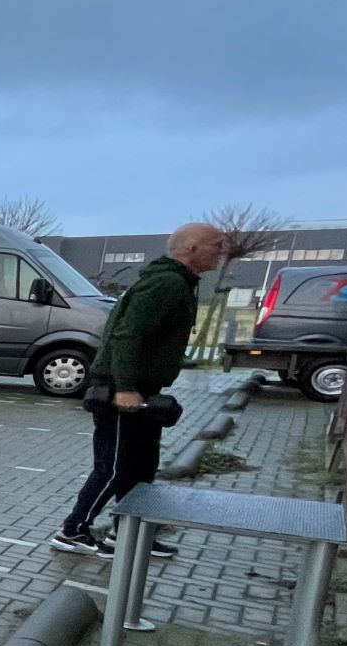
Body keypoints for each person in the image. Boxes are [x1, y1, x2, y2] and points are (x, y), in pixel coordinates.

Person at [49, 223, 225, 560]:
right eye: (216, 246)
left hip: (142, 389)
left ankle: (126, 533)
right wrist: (126, 388)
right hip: (121, 391)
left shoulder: (176, 282)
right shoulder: (166, 283)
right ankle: (72, 531)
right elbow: (127, 335)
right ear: (191, 248)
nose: (221, 253)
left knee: (142, 466)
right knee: (113, 466)